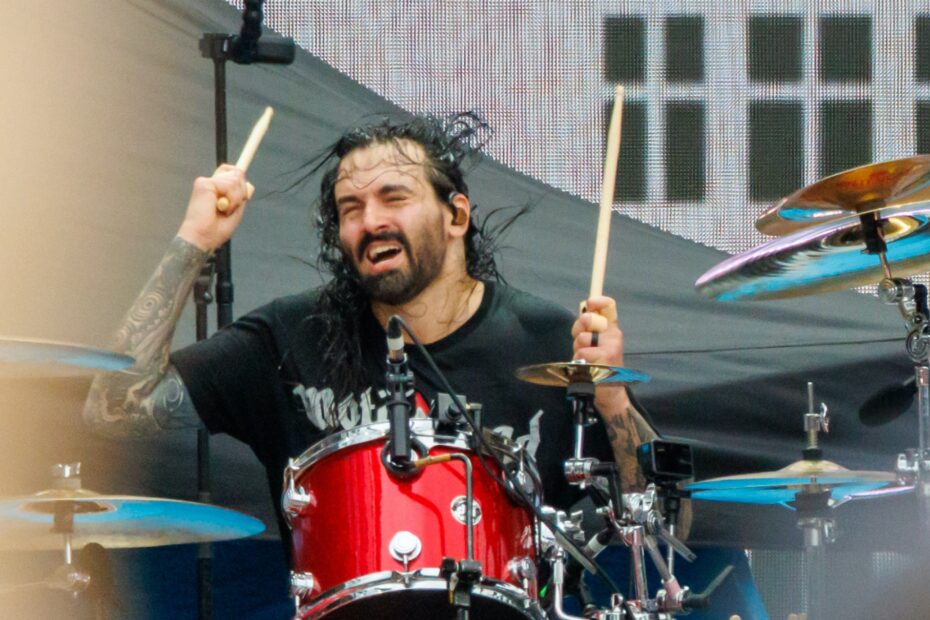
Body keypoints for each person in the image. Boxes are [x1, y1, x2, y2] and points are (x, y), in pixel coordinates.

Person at [82, 113, 656, 545]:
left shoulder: (549, 342)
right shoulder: (288, 337)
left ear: (457, 216)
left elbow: (658, 522)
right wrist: (194, 240)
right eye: (350, 208)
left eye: (393, 197)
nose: (371, 220)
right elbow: (112, 409)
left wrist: (611, 397)